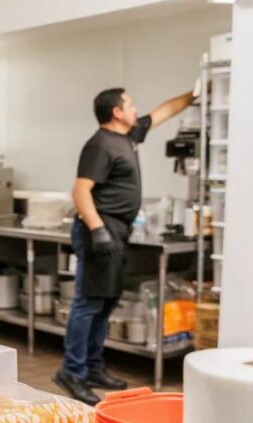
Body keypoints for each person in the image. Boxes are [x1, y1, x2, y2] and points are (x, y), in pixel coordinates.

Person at [55, 87, 194, 405]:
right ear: (116, 112)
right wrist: (98, 229)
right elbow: (80, 191)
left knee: (105, 304)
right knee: (88, 304)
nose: (135, 108)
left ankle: (93, 368)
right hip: (98, 232)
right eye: (130, 104)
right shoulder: (100, 145)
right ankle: (71, 372)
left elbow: (166, 108)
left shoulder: (129, 135)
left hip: (116, 232)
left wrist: (199, 90)